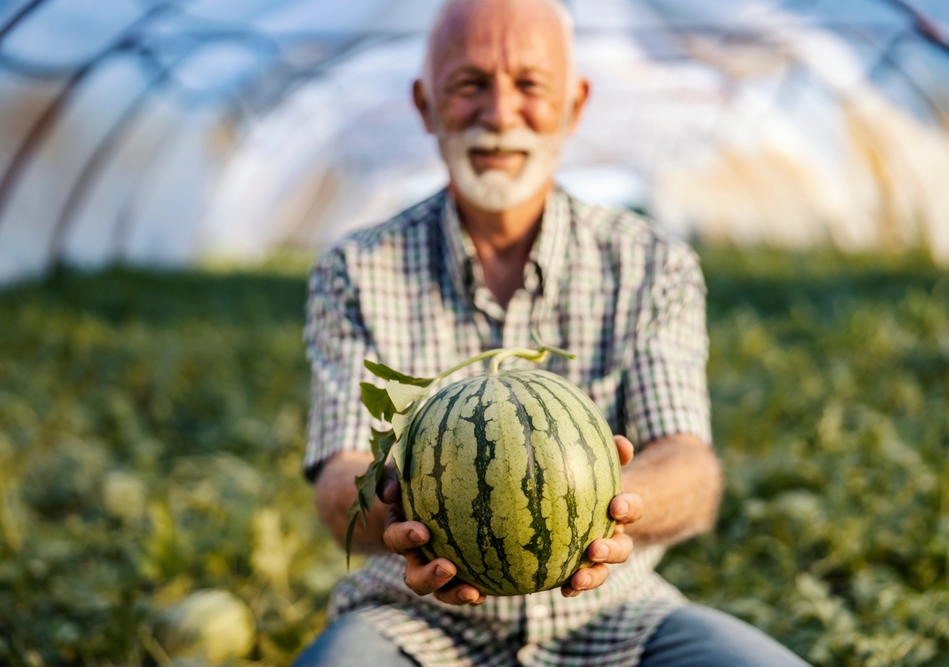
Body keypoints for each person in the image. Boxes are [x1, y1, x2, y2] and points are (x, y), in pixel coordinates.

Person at [296, 0, 810, 665]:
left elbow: (690, 463)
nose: (501, 113)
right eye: (470, 84)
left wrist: (613, 506)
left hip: (618, 614)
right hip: (410, 618)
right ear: (425, 105)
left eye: (530, 85)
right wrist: (404, 512)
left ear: (574, 104)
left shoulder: (652, 263)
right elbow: (341, 479)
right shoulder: (356, 271)